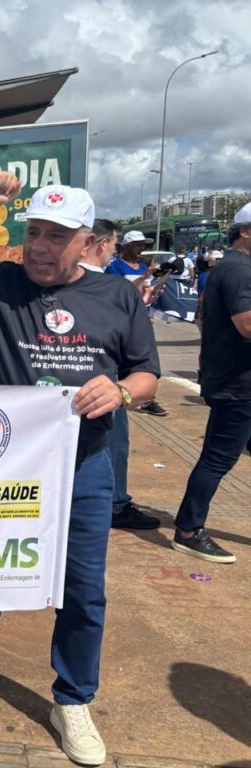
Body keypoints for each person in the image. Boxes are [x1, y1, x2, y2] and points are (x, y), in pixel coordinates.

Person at [0, 176, 160, 767]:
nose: (41, 247)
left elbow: (147, 374)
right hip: (4, 465)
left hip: (86, 464)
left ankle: (72, 698)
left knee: (83, 588)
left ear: (87, 242)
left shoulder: (117, 296)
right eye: (35, 233)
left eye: (57, 236)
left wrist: (122, 391)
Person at [172, 204, 251, 564]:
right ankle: (188, 530)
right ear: (245, 231)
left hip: (236, 380)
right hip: (237, 384)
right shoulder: (239, 270)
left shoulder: (233, 268)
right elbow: (246, 324)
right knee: (217, 459)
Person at [83, 222, 160, 531]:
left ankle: (114, 501)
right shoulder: (109, 281)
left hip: (111, 383)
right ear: (101, 243)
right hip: (104, 382)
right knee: (112, 442)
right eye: (115, 243)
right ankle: (114, 504)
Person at [109, 232, 167, 418]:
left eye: (143, 245)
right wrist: (143, 277)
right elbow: (118, 291)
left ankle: (146, 399)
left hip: (141, 316)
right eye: (137, 244)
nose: (141, 248)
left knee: (143, 359)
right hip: (120, 318)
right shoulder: (115, 267)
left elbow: (146, 292)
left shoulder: (143, 266)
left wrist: (156, 289)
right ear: (126, 246)